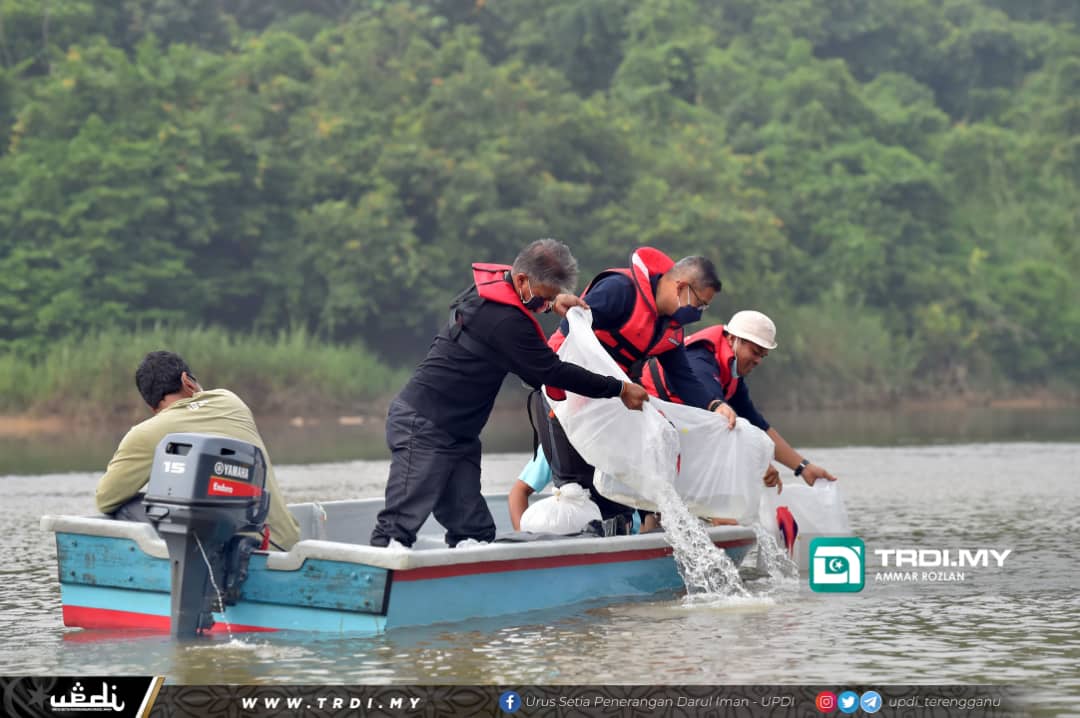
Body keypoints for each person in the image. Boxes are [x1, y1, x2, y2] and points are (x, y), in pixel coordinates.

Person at [369, 239, 650, 549]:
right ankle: (368, 591)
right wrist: (619, 387)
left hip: (458, 434)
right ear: (522, 281)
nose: (544, 307)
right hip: (423, 426)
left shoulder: (491, 293)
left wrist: (552, 300)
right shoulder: (505, 320)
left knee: (473, 533)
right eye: (543, 300)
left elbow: (524, 306)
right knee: (398, 526)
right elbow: (551, 372)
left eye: (549, 302)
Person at [525, 247, 737, 532]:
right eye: (700, 304)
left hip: (608, 403)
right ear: (682, 287)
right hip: (563, 399)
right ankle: (570, 553)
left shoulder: (669, 327)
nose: (698, 313)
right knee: (578, 489)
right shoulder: (620, 291)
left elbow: (682, 376)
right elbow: (574, 324)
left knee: (617, 497)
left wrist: (715, 406)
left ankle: (619, 549)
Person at [95, 351, 301, 551]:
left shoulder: (146, 433)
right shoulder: (231, 402)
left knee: (127, 507)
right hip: (284, 543)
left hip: (234, 557)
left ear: (151, 406)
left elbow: (106, 499)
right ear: (187, 380)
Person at [642, 310, 839, 485]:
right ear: (732, 339)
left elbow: (758, 425)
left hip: (679, 437)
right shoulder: (700, 363)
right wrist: (759, 463)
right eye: (755, 352)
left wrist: (803, 467)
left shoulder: (731, 372)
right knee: (667, 500)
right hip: (647, 432)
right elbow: (719, 427)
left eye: (763, 355)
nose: (758, 361)